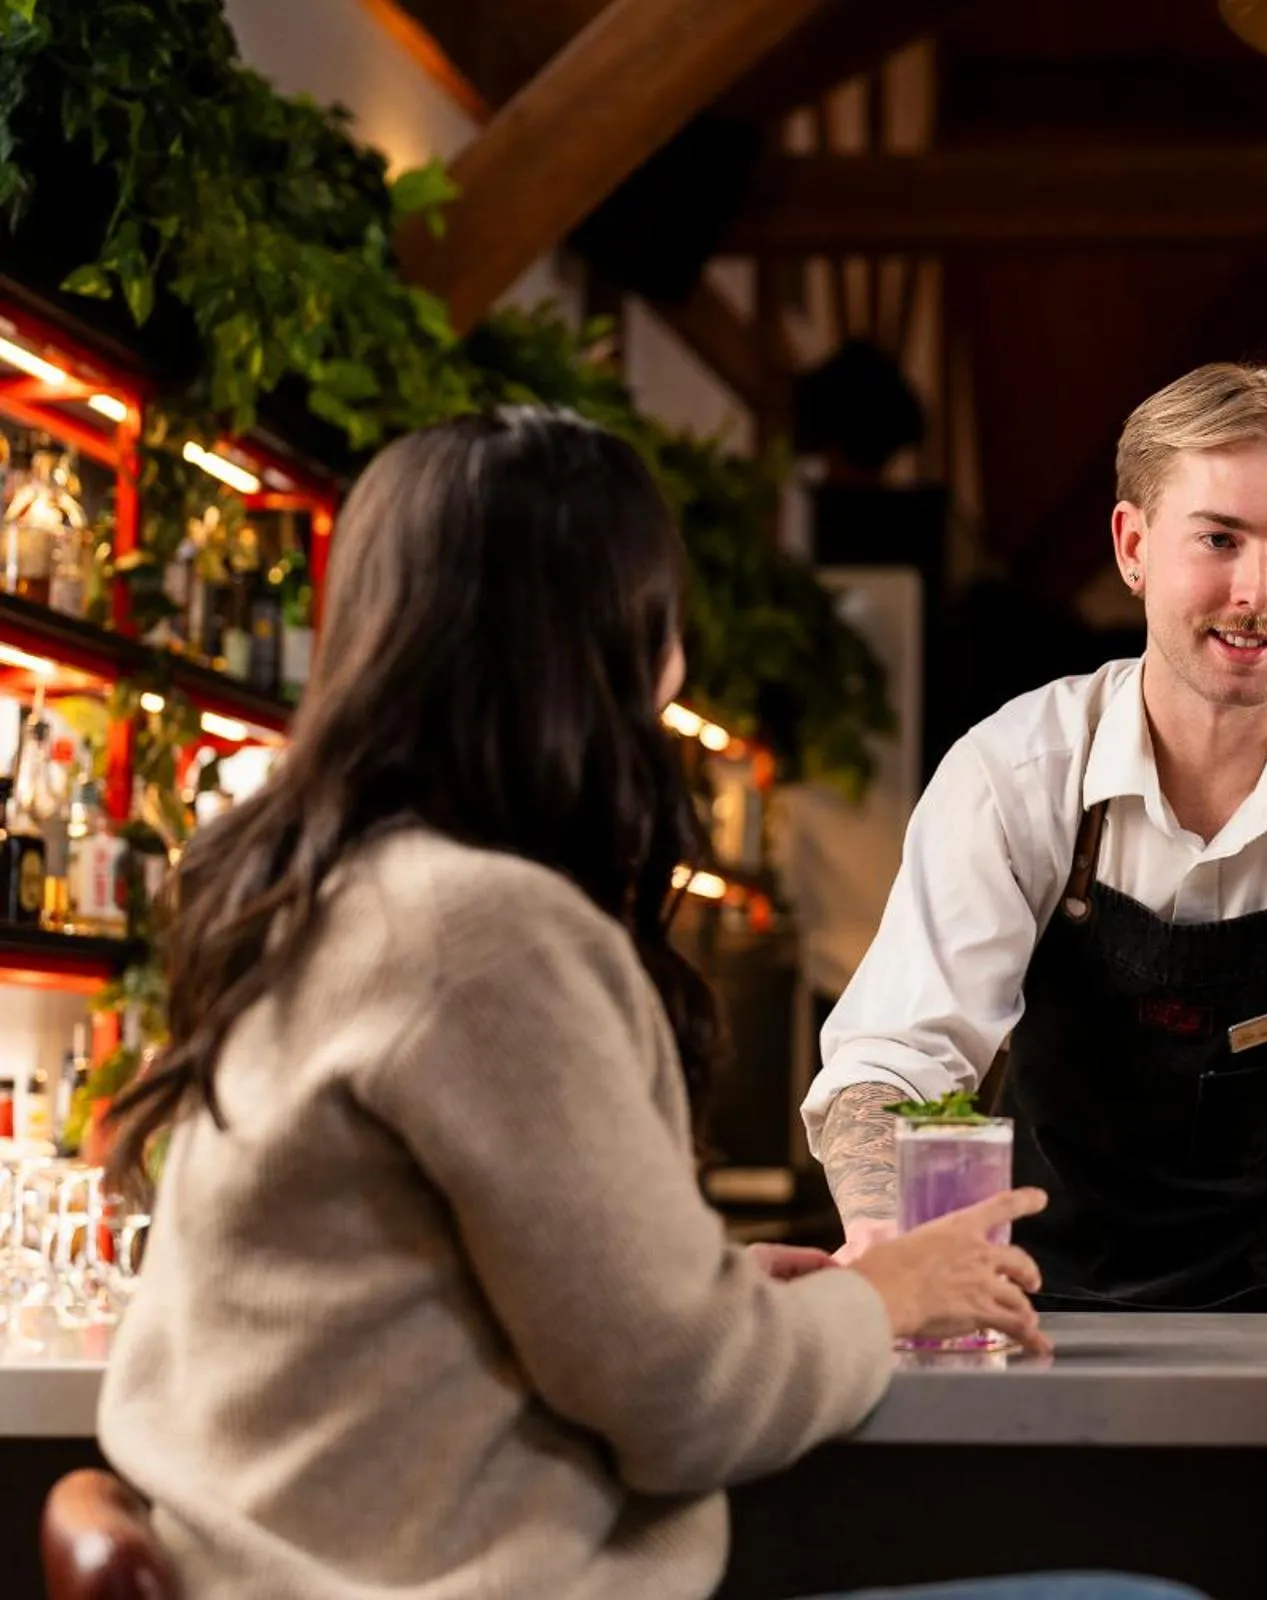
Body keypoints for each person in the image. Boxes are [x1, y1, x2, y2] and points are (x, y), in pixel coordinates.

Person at [96, 409, 1194, 1600]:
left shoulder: (317, 896)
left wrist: (707, 1291)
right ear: (612, 641)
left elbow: (485, 1302)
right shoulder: (481, 934)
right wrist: (880, 1296)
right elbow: (690, 1406)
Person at [807, 364, 1267, 1327]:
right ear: (1133, 546)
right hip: (1027, 1315)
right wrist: (883, 1226)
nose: (1257, 592)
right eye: (1218, 538)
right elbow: (892, 1061)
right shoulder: (1013, 774)